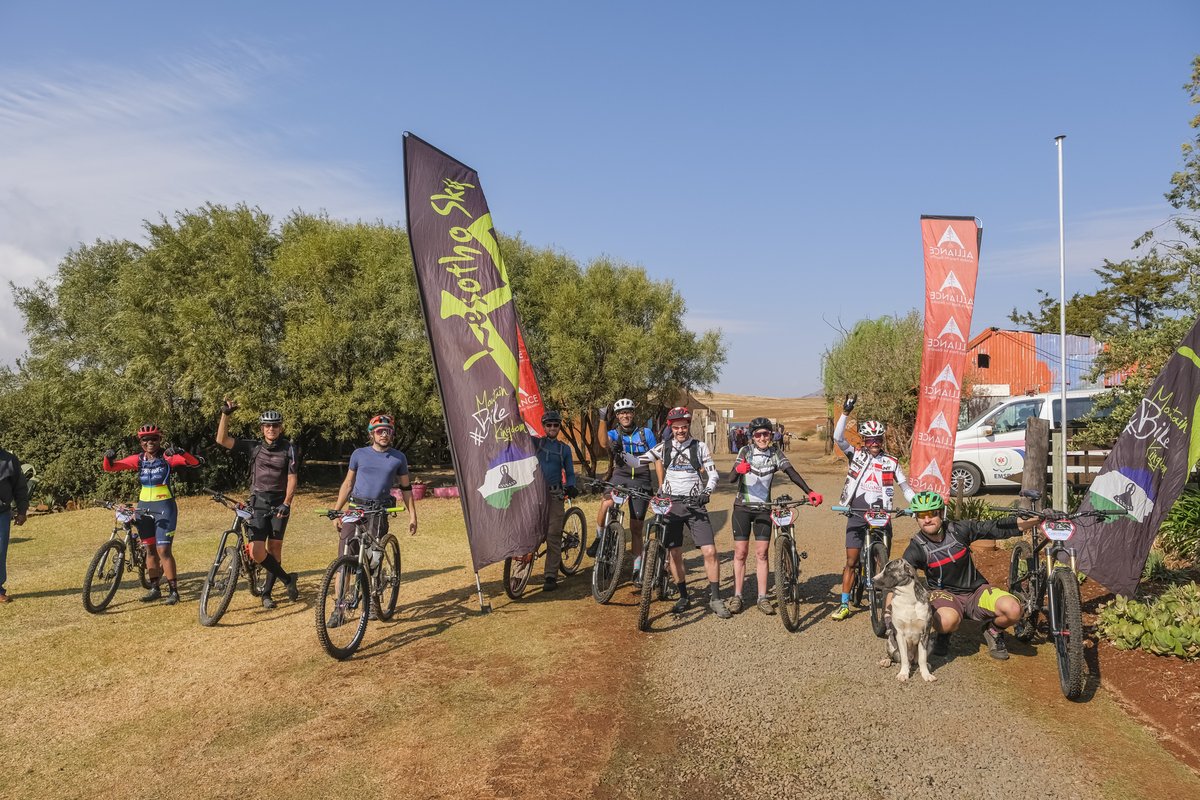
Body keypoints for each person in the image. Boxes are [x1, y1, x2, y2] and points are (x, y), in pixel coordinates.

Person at [901, 490, 1037, 659]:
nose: (927, 519)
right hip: (945, 595)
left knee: (1014, 610)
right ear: (916, 518)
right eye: (922, 515)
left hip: (976, 591)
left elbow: (994, 527)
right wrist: (887, 617)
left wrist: (1038, 519)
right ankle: (943, 634)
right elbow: (900, 580)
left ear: (941, 513)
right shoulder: (916, 547)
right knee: (946, 621)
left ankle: (993, 631)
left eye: (932, 513)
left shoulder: (958, 530)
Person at [326, 414, 418, 627]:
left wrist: (412, 515)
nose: (384, 434)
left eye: (388, 431)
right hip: (355, 509)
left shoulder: (399, 458)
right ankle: (339, 608)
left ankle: (375, 601)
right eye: (380, 431)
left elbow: (406, 488)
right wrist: (337, 510)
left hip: (379, 511)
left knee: (373, 560)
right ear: (371, 434)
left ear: (392, 434)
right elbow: (348, 484)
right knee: (345, 558)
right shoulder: (359, 454)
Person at [831, 394, 915, 621]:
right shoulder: (856, 455)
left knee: (884, 562)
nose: (874, 443)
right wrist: (845, 413)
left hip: (882, 513)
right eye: (870, 440)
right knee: (850, 561)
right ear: (864, 441)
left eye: (878, 439)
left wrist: (915, 504)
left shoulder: (892, 462)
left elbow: (905, 487)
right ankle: (845, 603)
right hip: (857, 512)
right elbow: (838, 437)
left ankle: (885, 601)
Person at [728, 416, 823, 614]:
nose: (762, 438)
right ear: (752, 437)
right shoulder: (745, 451)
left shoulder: (775, 453)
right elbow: (730, 479)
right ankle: (737, 596)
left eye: (766, 434)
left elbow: (792, 472)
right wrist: (738, 470)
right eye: (758, 435)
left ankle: (762, 598)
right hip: (743, 507)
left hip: (764, 507)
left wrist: (810, 491)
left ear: (771, 435)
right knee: (740, 553)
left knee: (762, 553)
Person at [102, 425, 201, 605]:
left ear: (159, 440)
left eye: (154, 439)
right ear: (140, 442)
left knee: (164, 550)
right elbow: (111, 468)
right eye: (145, 440)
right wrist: (107, 458)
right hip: (143, 508)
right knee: (150, 549)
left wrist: (181, 452)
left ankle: (173, 591)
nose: (150, 442)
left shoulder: (167, 457)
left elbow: (195, 463)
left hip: (165, 507)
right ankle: (155, 588)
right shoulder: (138, 459)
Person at [215, 401, 299, 609]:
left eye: (276, 425)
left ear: (281, 428)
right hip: (258, 502)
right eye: (268, 426)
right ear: (262, 428)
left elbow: (292, 478)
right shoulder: (254, 447)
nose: (272, 429)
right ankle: (287, 579)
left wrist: (287, 503)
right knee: (257, 551)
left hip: (279, 503)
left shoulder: (290, 449)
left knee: (275, 548)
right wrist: (225, 415)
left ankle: (267, 594)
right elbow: (222, 439)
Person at [645, 407, 728, 618]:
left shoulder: (700, 447)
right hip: (671, 504)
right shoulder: (663, 447)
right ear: (671, 428)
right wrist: (618, 452)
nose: (680, 431)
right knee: (675, 553)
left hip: (695, 504)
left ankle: (716, 598)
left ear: (689, 426)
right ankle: (683, 596)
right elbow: (639, 460)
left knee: (709, 551)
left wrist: (707, 492)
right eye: (676, 427)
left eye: (684, 427)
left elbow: (713, 474)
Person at [587, 398, 657, 580]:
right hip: (620, 475)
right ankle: (599, 537)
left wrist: (663, 486)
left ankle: (637, 569)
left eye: (628, 412)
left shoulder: (645, 433)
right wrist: (602, 417)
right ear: (617, 416)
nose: (625, 415)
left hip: (641, 478)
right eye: (621, 413)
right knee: (607, 503)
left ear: (633, 413)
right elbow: (603, 443)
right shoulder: (614, 433)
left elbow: (657, 458)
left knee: (636, 527)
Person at [532, 410, 578, 592]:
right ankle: (520, 572)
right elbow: (518, 435)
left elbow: (570, 471)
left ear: (559, 427)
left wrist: (572, 485)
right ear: (543, 427)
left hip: (555, 494)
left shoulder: (563, 449)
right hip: (535, 494)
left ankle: (551, 575)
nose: (552, 428)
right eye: (548, 425)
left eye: (555, 425)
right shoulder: (536, 443)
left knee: (553, 535)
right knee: (529, 532)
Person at [0, 445, 30, 603]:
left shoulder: (9, 460)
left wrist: (22, 511)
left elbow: (20, 487)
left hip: (1, 515)